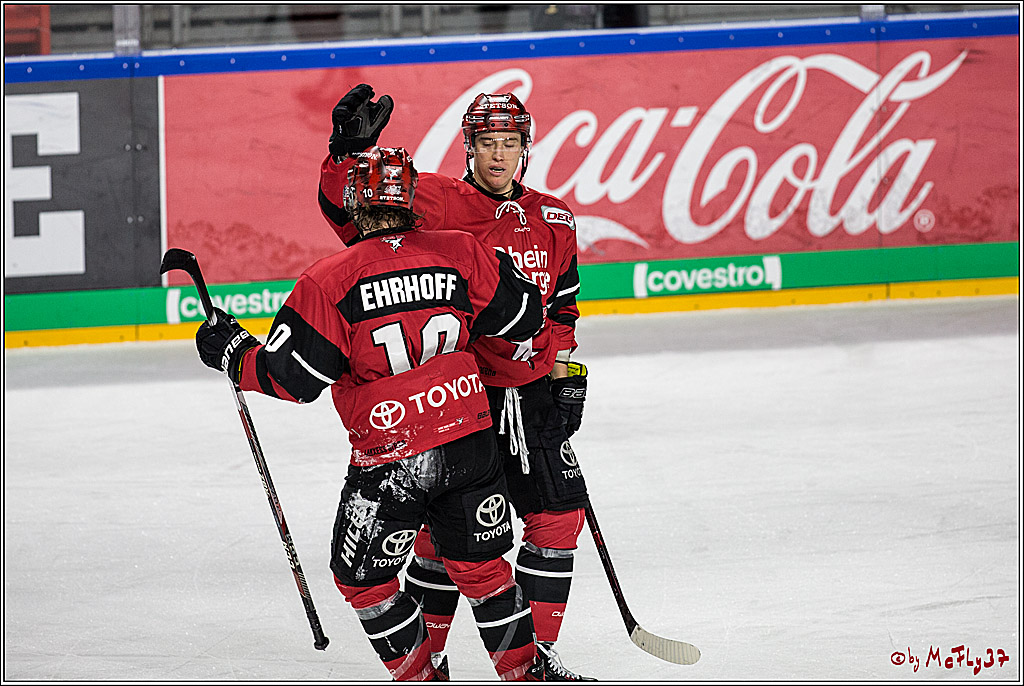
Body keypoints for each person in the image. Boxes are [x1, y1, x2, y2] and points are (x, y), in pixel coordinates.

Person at [195, 146, 548, 681]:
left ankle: (421, 677)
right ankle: (527, 674)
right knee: (484, 571)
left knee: (363, 581)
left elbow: (294, 379)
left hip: (392, 459)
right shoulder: (460, 250)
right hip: (471, 441)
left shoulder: (330, 278)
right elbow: (523, 316)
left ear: (352, 203)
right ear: (410, 197)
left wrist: (233, 352)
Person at [318, 86, 593, 681]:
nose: (499, 156)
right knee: (445, 539)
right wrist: (346, 152)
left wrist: (568, 375)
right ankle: (431, 657)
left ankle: (534, 662)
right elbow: (354, 216)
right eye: (488, 143)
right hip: (466, 395)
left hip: (535, 387)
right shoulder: (438, 200)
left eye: (510, 143)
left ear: (526, 147)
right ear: (469, 147)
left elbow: (565, 309)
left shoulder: (554, 217)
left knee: (557, 520)